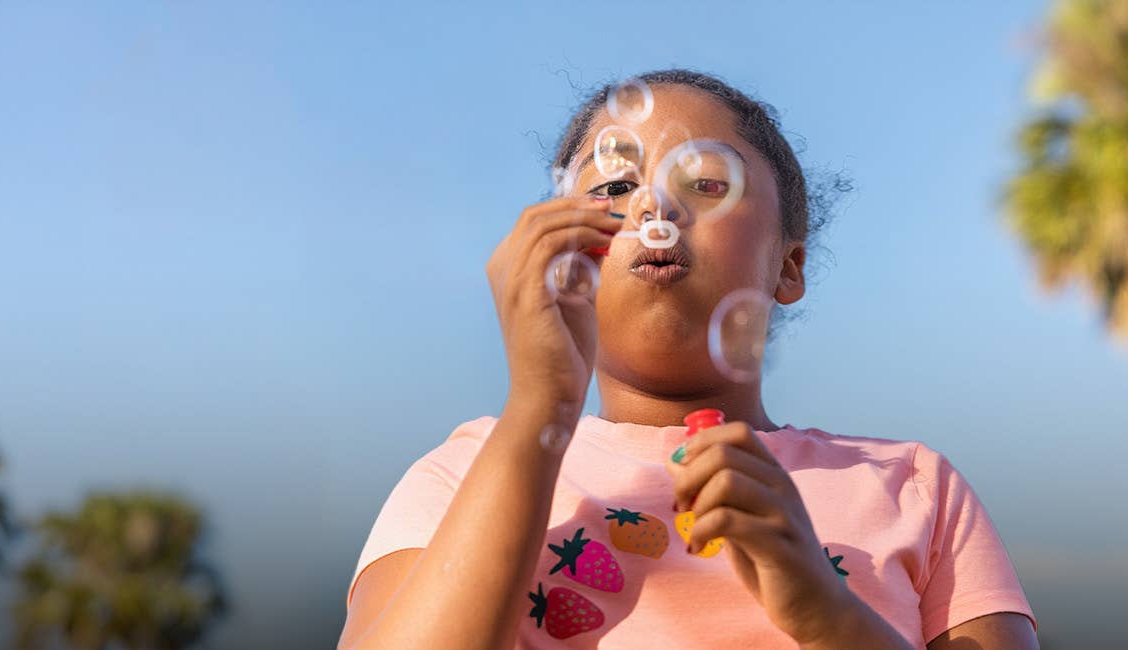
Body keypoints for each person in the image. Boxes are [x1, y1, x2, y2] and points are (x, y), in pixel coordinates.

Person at [339, 69, 1038, 649]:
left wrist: (826, 615)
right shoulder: (465, 474)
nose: (652, 203)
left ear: (787, 268)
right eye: (613, 188)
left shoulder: (911, 486)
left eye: (706, 183)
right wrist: (540, 409)